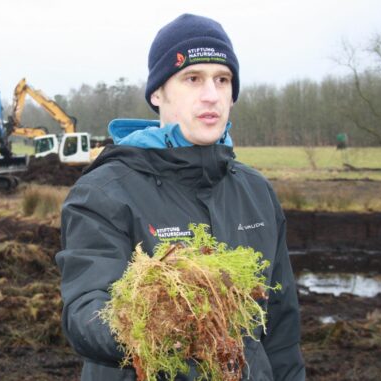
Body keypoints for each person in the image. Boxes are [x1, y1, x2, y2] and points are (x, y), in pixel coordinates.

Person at [55, 13, 305, 381]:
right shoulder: (104, 191)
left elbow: (282, 333)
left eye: (223, 80)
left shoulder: (256, 193)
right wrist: (160, 324)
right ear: (157, 93)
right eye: (193, 78)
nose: (211, 95)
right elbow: (84, 311)